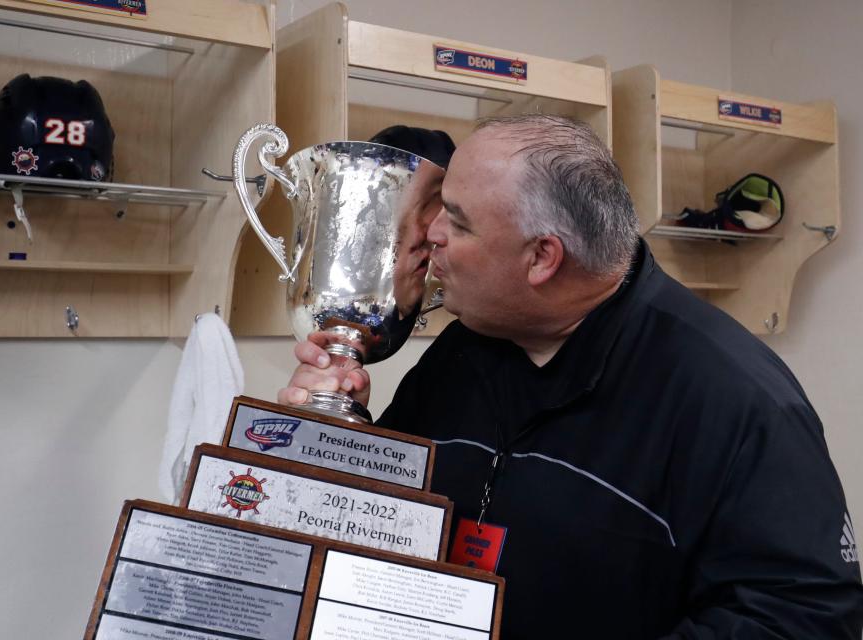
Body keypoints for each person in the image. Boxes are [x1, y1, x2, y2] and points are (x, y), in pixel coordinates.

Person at [278, 114, 863, 638]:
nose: (429, 235)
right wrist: (332, 449)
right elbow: (386, 531)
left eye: (455, 221)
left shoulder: (737, 399)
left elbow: (804, 619)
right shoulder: (460, 352)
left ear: (542, 258)